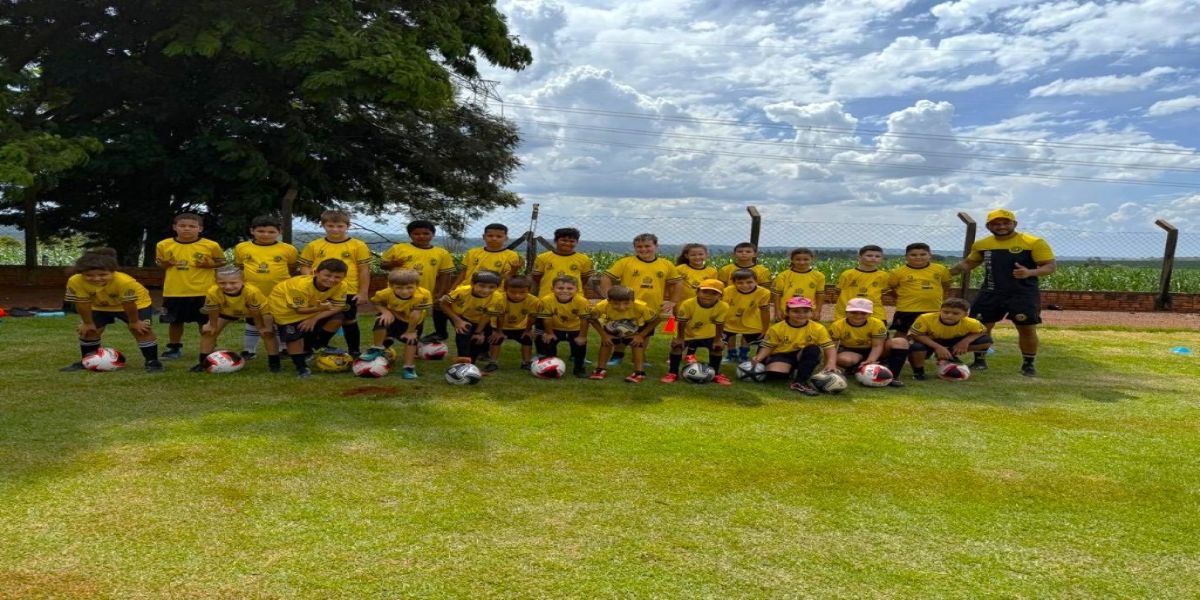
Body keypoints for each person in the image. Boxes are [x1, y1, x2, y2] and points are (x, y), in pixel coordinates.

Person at [949, 209, 1056, 377]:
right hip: (990, 293)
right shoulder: (982, 244)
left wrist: (1030, 272)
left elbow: (1049, 266)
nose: (1001, 226)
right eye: (996, 224)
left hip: (1022, 294)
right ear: (989, 226)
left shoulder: (1034, 242)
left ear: (1014, 224)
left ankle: (1028, 365)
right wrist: (945, 274)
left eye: (1006, 223)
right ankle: (980, 361)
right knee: (980, 327)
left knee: (1026, 329)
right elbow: (968, 264)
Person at [61, 248, 163, 372]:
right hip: (100, 304)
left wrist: (134, 322)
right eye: (89, 275)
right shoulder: (75, 280)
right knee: (89, 331)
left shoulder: (124, 281)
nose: (96, 279)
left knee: (141, 330)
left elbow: (129, 303)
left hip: (136, 304)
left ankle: (152, 362)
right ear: (81, 273)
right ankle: (87, 360)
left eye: (103, 275)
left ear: (113, 272)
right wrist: (87, 323)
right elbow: (82, 302)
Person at [599, 233, 683, 368]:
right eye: (639, 247)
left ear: (656, 246)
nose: (643, 249)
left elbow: (678, 283)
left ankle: (639, 358)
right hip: (626, 306)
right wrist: (609, 297)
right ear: (634, 247)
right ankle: (617, 355)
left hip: (651, 307)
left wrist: (673, 301)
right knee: (620, 330)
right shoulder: (625, 262)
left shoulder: (666, 264)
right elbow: (605, 277)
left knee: (645, 333)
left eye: (647, 246)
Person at [297, 209, 371, 356]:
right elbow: (304, 266)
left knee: (348, 320)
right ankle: (310, 348)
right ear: (323, 225)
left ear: (347, 226)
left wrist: (363, 292)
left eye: (340, 226)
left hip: (348, 290)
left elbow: (364, 270)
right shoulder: (314, 245)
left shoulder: (358, 245)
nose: (335, 229)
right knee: (316, 317)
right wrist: (310, 280)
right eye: (330, 226)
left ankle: (354, 351)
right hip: (319, 290)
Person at [155, 213, 226, 359]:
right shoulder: (163, 245)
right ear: (175, 227)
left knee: (205, 321)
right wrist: (167, 263)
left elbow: (221, 261)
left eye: (192, 226)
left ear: (200, 228)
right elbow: (160, 263)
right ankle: (174, 349)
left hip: (203, 291)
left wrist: (209, 265)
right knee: (174, 322)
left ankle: (210, 348)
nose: (187, 229)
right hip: (174, 291)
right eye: (182, 226)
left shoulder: (211, 245)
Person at [267, 259, 351, 378]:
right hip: (286, 312)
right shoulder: (299, 286)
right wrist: (319, 309)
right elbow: (299, 310)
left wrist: (314, 319)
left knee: (339, 317)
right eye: (327, 275)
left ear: (344, 277)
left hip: (311, 309)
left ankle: (316, 346)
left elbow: (339, 306)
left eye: (337, 277)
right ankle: (301, 368)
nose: (332, 280)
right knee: (293, 337)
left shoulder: (341, 285)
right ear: (316, 272)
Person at [233, 215, 298, 359]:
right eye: (261, 231)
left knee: (279, 320)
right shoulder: (242, 247)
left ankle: (283, 348)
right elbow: (239, 268)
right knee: (252, 320)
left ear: (279, 232)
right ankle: (249, 350)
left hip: (279, 293)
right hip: (253, 292)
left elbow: (292, 268)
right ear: (252, 231)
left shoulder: (288, 249)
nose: (266, 235)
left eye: (271, 232)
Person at [380, 220, 456, 343]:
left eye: (426, 233)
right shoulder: (398, 248)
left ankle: (414, 346)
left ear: (433, 234)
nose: (421, 236)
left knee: (417, 318)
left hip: (420, 294)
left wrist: (441, 292)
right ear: (410, 235)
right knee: (391, 315)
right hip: (397, 292)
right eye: (417, 234)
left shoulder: (441, 253)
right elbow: (382, 265)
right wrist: (392, 263)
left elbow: (445, 274)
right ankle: (385, 342)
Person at [192, 267, 277, 372]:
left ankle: (274, 363)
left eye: (233, 283)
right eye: (222, 283)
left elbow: (257, 312)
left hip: (256, 312)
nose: (228, 286)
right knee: (208, 332)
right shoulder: (213, 291)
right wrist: (212, 326)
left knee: (268, 333)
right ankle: (204, 363)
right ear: (216, 282)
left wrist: (262, 327)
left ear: (243, 281)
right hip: (227, 312)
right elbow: (213, 310)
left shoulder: (252, 292)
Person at [751, 297, 838, 396]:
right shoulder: (776, 328)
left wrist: (831, 364)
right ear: (787, 312)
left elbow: (829, 347)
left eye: (806, 311)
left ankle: (800, 382)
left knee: (813, 349)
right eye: (796, 311)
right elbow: (769, 346)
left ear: (811, 313)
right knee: (776, 375)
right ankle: (791, 370)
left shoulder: (818, 328)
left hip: (802, 354)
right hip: (782, 355)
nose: (801, 314)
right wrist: (759, 358)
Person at [360, 269, 433, 380]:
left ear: (417, 285)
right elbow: (376, 302)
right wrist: (385, 311)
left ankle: (408, 367)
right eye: (399, 288)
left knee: (411, 340)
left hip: (413, 322)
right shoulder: (384, 293)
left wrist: (411, 331)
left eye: (409, 287)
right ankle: (377, 348)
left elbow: (415, 314)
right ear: (390, 286)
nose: (404, 292)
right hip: (394, 317)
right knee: (381, 320)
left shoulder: (423, 295)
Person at [662, 279, 731, 385]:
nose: (708, 296)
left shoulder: (724, 306)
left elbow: (719, 324)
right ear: (697, 292)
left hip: (709, 333)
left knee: (717, 348)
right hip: (687, 333)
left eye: (714, 293)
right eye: (705, 292)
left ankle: (715, 374)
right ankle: (673, 373)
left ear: (720, 296)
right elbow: (681, 322)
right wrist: (680, 338)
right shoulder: (688, 304)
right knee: (677, 347)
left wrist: (718, 340)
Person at [828, 298, 909, 387]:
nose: (858, 316)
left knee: (901, 342)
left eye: (863, 313)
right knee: (844, 359)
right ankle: (856, 369)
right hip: (852, 350)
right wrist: (830, 365)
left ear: (870, 314)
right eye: (854, 312)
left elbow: (877, 346)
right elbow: (832, 347)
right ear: (846, 312)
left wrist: (871, 360)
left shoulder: (877, 323)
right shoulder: (837, 325)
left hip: (877, 349)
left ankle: (892, 376)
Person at [907, 298, 994, 380]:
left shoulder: (971, 322)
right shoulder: (925, 318)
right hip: (930, 341)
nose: (949, 315)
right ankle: (918, 372)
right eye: (945, 312)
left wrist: (965, 341)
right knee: (916, 346)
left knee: (986, 340)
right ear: (940, 310)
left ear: (965, 315)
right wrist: (938, 347)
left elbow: (982, 331)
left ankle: (949, 355)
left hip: (954, 341)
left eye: (955, 313)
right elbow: (916, 335)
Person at [588, 285, 659, 382]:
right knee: (606, 343)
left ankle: (639, 372)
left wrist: (640, 336)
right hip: (611, 330)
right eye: (616, 304)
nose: (621, 307)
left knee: (637, 344)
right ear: (609, 301)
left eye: (626, 303)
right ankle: (600, 369)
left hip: (633, 331)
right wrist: (603, 335)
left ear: (633, 300)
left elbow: (655, 320)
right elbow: (592, 319)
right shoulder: (602, 305)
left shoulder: (641, 307)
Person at [440, 270, 505, 366]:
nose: (486, 290)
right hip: (460, 316)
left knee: (478, 340)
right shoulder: (461, 291)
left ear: (497, 287)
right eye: (482, 286)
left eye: (491, 287)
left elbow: (486, 316)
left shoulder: (497, 297)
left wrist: (478, 332)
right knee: (464, 332)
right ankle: (462, 362)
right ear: (472, 284)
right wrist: (457, 321)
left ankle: (471, 365)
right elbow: (443, 304)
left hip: (480, 319)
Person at [887, 242, 951, 337]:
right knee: (902, 333)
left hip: (933, 308)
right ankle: (897, 351)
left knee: (930, 334)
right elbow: (891, 287)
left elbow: (946, 285)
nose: (918, 257)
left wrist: (944, 301)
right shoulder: (898, 272)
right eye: (913, 255)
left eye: (923, 254)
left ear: (930, 255)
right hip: (907, 309)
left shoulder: (940, 269)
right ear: (906, 256)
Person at [534, 275, 592, 378]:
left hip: (575, 328)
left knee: (579, 346)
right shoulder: (546, 300)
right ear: (553, 289)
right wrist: (549, 333)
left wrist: (582, 336)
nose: (565, 291)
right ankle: (550, 363)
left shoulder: (582, 301)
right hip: (555, 328)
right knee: (548, 340)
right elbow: (546, 319)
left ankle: (579, 368)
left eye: (570, 288)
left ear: (577, 290)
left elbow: (585, 320)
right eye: (560, 288)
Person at [488, 276, 543, 372]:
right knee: (496, 339)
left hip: (520, 326)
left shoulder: (534, 301)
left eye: (522, 292)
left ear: (529, 290)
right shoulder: (500, 298)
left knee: (527, 339)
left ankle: (526, 362)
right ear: (506, 290)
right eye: (512, 292)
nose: (517, 295)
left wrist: (528, 330)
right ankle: (493, 362)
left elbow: (532, 317)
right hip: (500, 325)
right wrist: (498, 331)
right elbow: (499, 316)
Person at [451, 223, 523, 290]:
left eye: (499, 236)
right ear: (484, 237)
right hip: (468, 288)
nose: (494, 238)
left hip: (494, 291)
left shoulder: (511, 255)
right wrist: (453, 288)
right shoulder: (472, 252)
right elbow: (463, 273)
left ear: (506, 238)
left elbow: (508, 277)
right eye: (490, 236)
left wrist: (514, 269)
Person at [722, 268, 772, 363]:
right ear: (734, 283)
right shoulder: (727, 291)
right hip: (731, 318)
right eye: (740, 283)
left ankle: (743, 356)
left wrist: (765, 328)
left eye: (749, 282)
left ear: (756, 281)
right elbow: (722, 309)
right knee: (730, 336)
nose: (745, 285)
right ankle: (731, 355)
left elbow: (765, 311)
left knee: (747, 338)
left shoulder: (764, 293)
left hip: (751, 318)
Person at [531, 227, 594, 297]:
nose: (567, 243)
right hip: (547, 296)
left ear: (577, 242)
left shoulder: (584, 259)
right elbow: (536, 277)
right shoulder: (542, 257)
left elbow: (584, 279)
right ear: (556, 241)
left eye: (572, 241)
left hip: (574, 297)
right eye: (564, 240)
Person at [834, 245, 889, 322]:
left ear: (882, 259)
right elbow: (838, 291)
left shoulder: (884, 275)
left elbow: (883, 294)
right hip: (849, 310)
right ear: (859, 257)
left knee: (879, 332)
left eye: (877, 256)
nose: (873, 258)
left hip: (874, 312)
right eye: (869, 255)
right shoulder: (848, 274)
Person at [771, 247, 825, 322]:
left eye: (806, 259)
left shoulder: (819, 276)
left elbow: (820, 294)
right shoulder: (783, 276)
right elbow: (777, 295)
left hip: (808, 311)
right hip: (786, 311)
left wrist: (818, 311)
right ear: (792, 260)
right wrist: (777, 310)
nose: (802, 262)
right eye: (798, 259)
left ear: (812, 259)